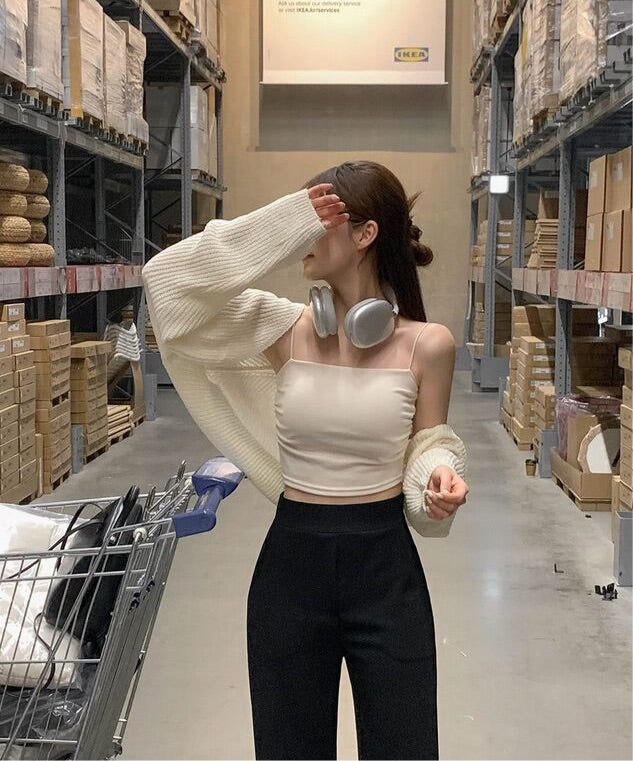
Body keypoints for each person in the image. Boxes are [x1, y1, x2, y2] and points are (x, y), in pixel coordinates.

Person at [142, 160, 469, 760]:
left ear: (365, 233)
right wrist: (280, 223)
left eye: (316, 221)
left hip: (386, 570)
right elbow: (165, 284)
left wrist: (437, 476)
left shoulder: (427, 344)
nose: (301, 239)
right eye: (299, 220)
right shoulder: (284, 331)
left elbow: (430, 441)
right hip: (291, 568)